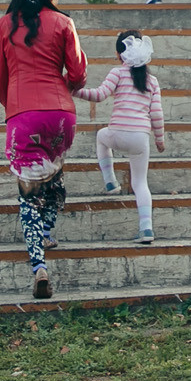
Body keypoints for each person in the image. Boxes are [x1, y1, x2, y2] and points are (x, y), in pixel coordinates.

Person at [0, 0, 89, 300]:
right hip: (61, 114)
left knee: (29, 195)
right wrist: (66, 88)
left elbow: (1, 77)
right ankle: (47, 231)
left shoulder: (4, 26)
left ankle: (39, 268)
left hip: (23, 113)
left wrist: (13, 108)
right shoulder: (63, 23)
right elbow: (78, 72)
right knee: (55, 178)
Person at [74, 29, 168, 245]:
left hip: (117, 133)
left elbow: (99, 95)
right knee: (140, 183)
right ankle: (146, 229)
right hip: (140, 138)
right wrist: (159, 139)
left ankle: (110, 182)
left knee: (101, 136)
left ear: (119, 54)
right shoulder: (152, 81)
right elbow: (156, 113)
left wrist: (75, 91)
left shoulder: (117, 73)